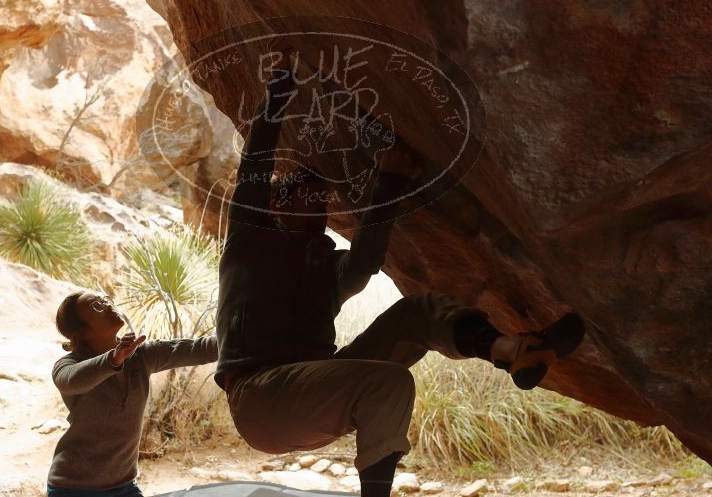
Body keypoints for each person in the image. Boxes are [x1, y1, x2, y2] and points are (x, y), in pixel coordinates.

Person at [215, 46, 585, 497]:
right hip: (262, 400)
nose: (319, 208)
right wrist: (278, 89)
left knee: (419, 311)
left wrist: (390, 181)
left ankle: (516, 351)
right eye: (308, 198)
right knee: (389, 382)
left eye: (323, 201)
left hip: (316, 390)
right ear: (276, 205)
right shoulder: (250, 245)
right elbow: (255, 168)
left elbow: (366, 261)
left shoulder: (325, 269)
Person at [46, 290, 218, 497]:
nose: (108, 305)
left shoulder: (141, 355)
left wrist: (248, 339)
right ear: (82, 332)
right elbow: (70, 381)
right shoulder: (68, 364)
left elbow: (200, 349)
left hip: (123, 486)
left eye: (105, 300)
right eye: (96, 306)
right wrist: (113, 359)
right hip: (72, 487)